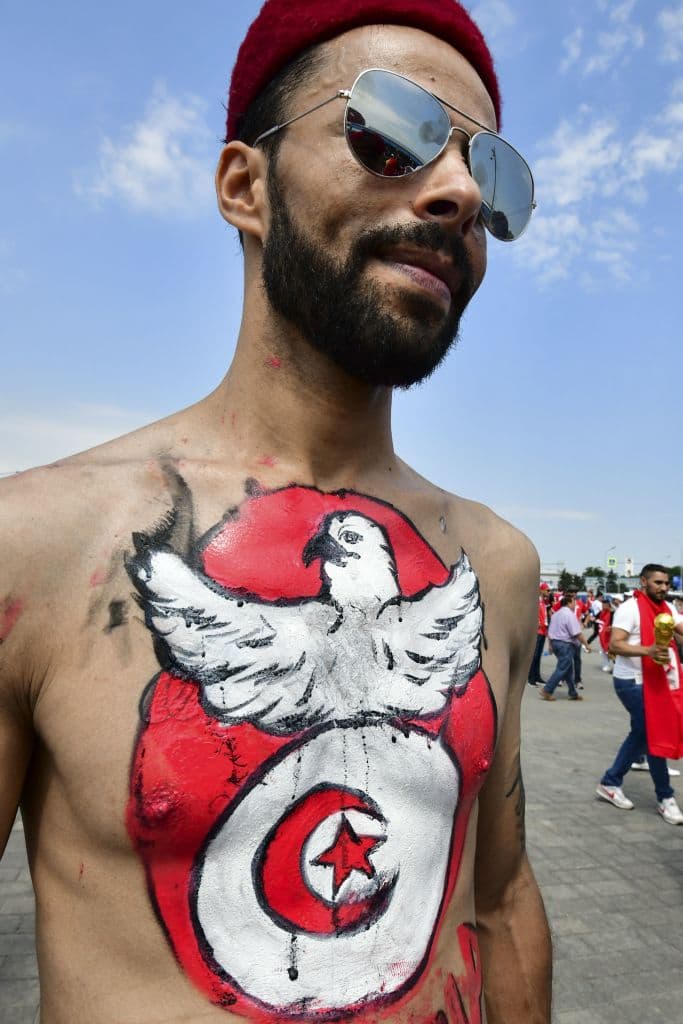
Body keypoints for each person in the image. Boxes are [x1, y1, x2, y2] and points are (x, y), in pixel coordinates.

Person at [0, 2, 550, 1022]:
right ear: (243, 187)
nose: (460, 193)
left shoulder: (497, 564)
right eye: (390, 131)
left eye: (494, 174)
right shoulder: (35, 547)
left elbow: (501, 896)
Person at [597, 565, 683, 825]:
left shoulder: (667, 609)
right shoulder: (629, 608)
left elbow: (679, 629)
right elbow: (615, 644)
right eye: (658, 583)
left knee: (642, 733)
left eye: (667, 583)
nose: (664, 588)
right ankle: (665, 797)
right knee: (651, 732)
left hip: (658, 681)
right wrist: (649, 650)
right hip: (631, 682)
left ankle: (611, 782)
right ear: (643, 581)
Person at [540, 595, 589, 701]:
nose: (575, 604)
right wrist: (586, 644)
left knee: (567, 669)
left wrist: (550, 645)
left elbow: (550, 631)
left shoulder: (556, 614)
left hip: (556, 643)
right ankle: (547, 690)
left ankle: (572, 692)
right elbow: (576, 633)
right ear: (569, 603)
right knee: (562, 669)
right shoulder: (569, 615)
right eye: (573, 602)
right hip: (565, 645)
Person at [527, 582, 550, 686]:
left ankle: (537, 676)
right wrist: (538, 623)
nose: (548, 592)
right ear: (541, 590)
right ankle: (531, 678)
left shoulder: (543, 602)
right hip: (538, 632)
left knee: (538, 655)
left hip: (543, 631)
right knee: (534, 655)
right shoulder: (535, 601)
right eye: (547, 590)